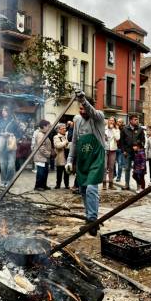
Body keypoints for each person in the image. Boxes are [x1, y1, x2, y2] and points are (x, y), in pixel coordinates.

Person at [67, 92, 107, 234]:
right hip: (83, 159)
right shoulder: (77, 120)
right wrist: (70, 160)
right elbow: (74, 142)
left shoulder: (99, 117)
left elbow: (91, 111)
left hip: (97, 158)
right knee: (83, 190)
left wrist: (83, 100)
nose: (81, 111)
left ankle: (92, 220)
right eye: (80, 108)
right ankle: (90, 220)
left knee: (91, 188)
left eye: (83, 108)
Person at [0, 106, 23, 184]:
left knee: (11, 164)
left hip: (11, 144)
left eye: (4, 110)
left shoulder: (14, 122)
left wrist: (11, 134)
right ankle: (3, 180)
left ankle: (8, 181)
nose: (2, 112)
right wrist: (1, 134)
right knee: (3, 164)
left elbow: (19, 134)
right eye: (2, 110)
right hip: (2, 144)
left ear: (8, 112)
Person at [118, 114, 143, 190]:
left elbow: (143, 141)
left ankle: (138, 186)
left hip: (137, 153)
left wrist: (138, 146)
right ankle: (126, 185)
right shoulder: (124, 129)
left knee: (137, 169)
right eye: (135, 119)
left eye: (137, 119)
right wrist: (123, 151)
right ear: (131, 120)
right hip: (127, 152)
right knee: (127, 168)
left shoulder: (140, 129)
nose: (137, 121)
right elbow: (121, 142)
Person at [32, 119, 54, 190]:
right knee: (41, 172)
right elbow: (41, 147)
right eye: (48, 126)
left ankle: (43, 185)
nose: (49, 128)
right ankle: (38, 186)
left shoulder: (44, 134)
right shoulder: (40, 135)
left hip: (44, 157)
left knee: (45, 172)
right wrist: (49, 154)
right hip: (41, 157)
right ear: (43, 126)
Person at [104, 117, 121, 190]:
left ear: (114, 122)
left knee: (111, 167)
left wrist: (114, 130)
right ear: (108, 121)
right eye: (110, 120)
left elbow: (117, 138)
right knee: (104, 167)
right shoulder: (104, 129)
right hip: (104, 149)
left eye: (112, 121)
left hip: (113, 150)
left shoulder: (116, 130)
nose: (111, 122)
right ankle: (104, 183)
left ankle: (111, 184)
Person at [53, 123, 70, 189]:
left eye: (65, 128)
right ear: (58, 130)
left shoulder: (66, 136)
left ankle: (67, 185)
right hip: (60, 158)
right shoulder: (56, 137)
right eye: (63, 128)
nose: (65, 129)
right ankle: (58, 185)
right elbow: (57, 145)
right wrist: (65, 142)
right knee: (59, 173)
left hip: (66, 157)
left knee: (67, 172)